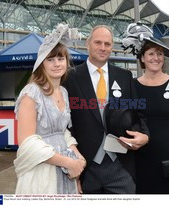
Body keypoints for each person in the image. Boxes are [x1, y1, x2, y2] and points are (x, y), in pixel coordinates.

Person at [64, 25, 150, 194]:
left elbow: (138, 113)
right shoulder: (70, 77)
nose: (103, 48)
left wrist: (145, 135)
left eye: (107, 44)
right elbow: (65, 123)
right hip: (85, 167)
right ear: (88, 44)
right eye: (98, 42)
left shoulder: (124, 76)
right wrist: (72, 168)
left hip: (121, 166)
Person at [122, 23, 169, 194]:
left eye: (160, 54)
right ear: (142, 58)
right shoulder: (131, 86)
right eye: (151, 54)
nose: (155, 58)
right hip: (142, 157)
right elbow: (127, 121)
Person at [13, 24, 86, 194]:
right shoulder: (32, 92)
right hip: (42, 172)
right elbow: (27, 143)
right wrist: (68, 163)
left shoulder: (64, 92)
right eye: (50, 59)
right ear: (41, 63)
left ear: (66, 62)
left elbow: (62, 132)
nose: (56, 64)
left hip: (67, 171)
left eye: (60, 59)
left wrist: (78, 158)